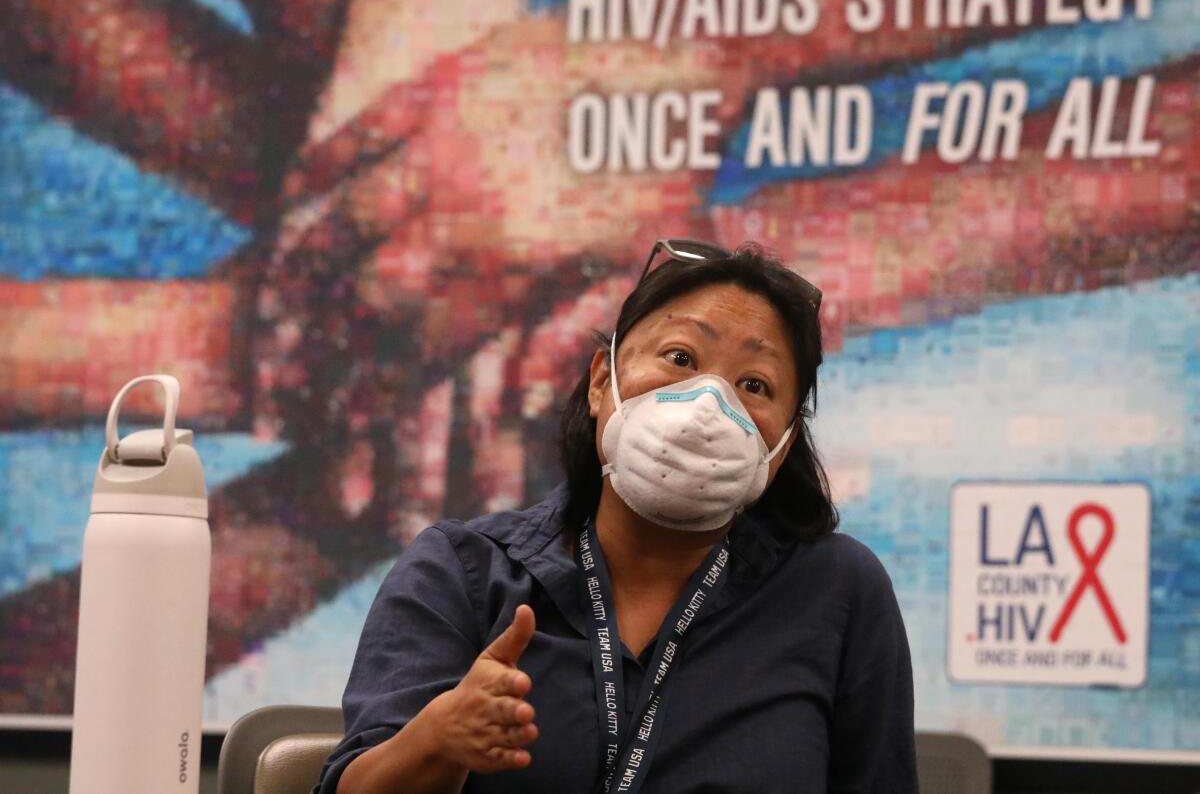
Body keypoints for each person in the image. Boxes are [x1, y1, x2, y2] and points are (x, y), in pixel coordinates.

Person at [315, 239, 917, 794]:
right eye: (680, 356)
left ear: (782, 444)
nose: (708, 404)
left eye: (754, 384)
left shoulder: (838, 592)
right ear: (603, 382)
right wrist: (440, 737)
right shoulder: (463, 572)